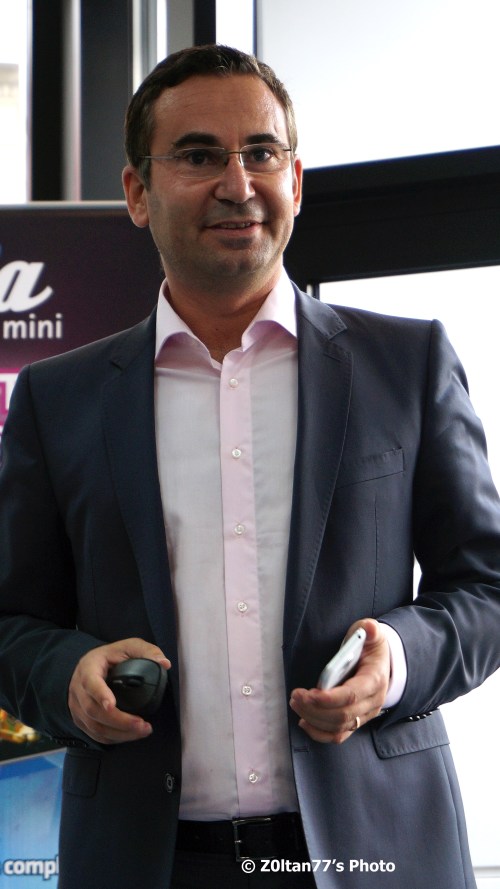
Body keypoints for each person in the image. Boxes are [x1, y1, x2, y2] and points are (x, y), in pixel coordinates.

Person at [0, 44, 499, 889]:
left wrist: (398, 660)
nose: (237, 183)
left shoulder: (406, 365)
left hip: (370, 852)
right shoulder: (59, 399)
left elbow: (486, 587)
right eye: (198, 156)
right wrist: (67, 677)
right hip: (147, 862)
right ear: (137, 192)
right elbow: (11, 620)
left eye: (261, 152)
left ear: (295, 182)